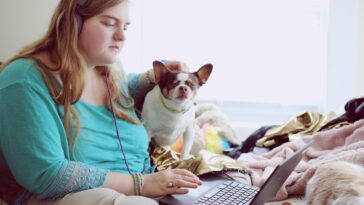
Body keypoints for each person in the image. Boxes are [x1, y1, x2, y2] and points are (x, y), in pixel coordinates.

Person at [0, 0, 202, 205]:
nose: (122, 36)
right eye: (109, 23)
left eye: (125, 26)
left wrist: (152, 77)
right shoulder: (23, 81)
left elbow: (123, 96)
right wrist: (141, 184)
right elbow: (48, 174)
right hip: (62, 196)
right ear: (74, 22)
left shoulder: (106, 67)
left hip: (144, 186)